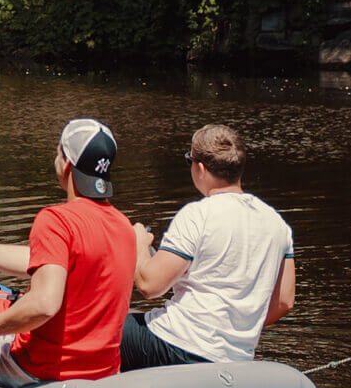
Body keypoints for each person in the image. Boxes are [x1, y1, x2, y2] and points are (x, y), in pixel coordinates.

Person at [0, 118, 135, 388]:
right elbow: (43, 261)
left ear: (65, 164)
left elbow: (43, 304)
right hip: (102, 372)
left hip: (38, 369)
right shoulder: (124, 227)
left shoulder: (55, 220)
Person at [122, 124, 296, 369]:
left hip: (178, 345)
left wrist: (139, 244)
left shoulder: (197, 215)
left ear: (200, 168)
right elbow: (285, 301)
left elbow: (149, 285)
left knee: (108, 327)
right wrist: (234, 330)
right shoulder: (278, 224)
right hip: (237, 354)